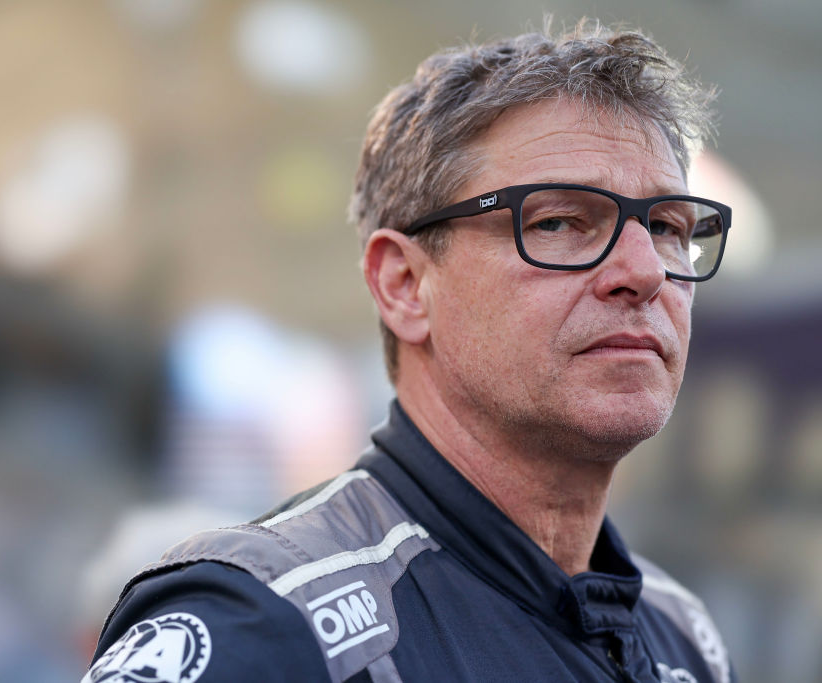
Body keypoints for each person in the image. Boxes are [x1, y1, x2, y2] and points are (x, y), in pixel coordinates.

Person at [83, 20, 735, 683]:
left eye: (667, 227)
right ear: (403, 285)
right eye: (558, 222)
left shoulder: (687, 640)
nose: (644, 271)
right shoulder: (260, 623)